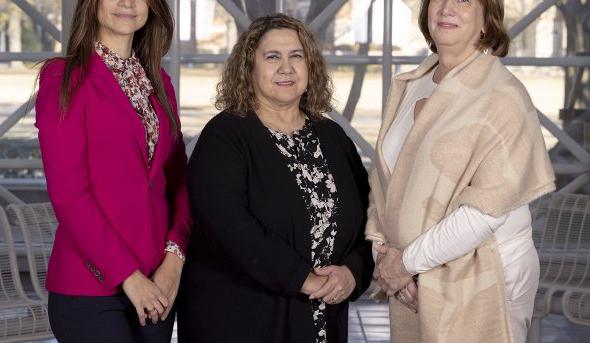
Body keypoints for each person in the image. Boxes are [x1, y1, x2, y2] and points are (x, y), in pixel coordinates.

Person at [366, 0, 555, 342]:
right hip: (410, 270)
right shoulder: (413, 84)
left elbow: (487, 211)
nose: (447, 8)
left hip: (487, 273)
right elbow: (383, 184)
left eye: (465, 0)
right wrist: (383, 253)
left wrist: (405, 264)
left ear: (487, 21)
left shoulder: (503, 96)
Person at [177, 14, 374, 343]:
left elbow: (371, 220)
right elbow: (230, 229)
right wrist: (304, 280)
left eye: (297, 56)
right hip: (241, 321)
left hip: (322, 319)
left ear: (311, 68)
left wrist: (352, 274)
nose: (287, 68)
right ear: (248, 69)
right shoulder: (225, 136)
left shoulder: (333, 137)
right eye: (272, 57)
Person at [35, 0, 190, 341]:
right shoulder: (63, 77)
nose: (127, 3)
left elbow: (179, 180)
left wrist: (173, 261)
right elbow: (68, 195)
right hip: (90, 286)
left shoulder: (159, 81)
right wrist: (128, 276)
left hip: (157, 283)